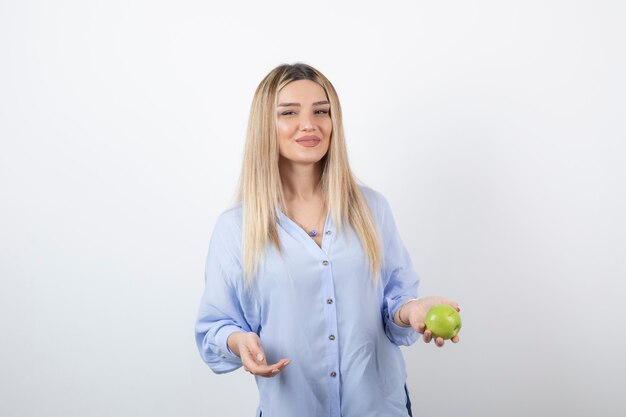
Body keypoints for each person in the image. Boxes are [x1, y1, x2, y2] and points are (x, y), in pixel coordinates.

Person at [195, 63, 460, 417]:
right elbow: (215, 326)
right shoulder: (235, 228)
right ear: (265, 126)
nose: (310, 124)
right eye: (289, 112)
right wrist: (237, 341)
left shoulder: (372, 208)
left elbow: (394, 301)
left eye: (322, 111)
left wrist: (411, 310)